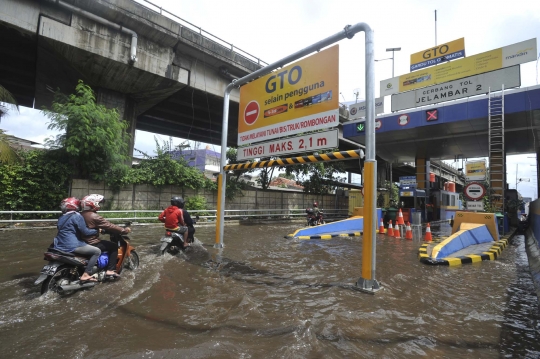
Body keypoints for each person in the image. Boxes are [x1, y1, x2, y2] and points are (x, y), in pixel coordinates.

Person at [80, 194, 131, 278]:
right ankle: (110, 270)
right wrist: (123, 230)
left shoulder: (81, 214)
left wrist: (99, 229)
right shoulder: (93, 216)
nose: (99, 205)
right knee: (113, 246)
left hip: (82, 242)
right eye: (98, 203)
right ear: (93, 203)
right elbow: (109, 225)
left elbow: (89, 226)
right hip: (92, 242)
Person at [53, 197, 100, 283]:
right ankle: (86, 274)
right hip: (72, 245)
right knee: (97, 251)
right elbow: (85, 232)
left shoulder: (61, 217)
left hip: (59, 245)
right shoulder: (77, 216)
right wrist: (97, 230)